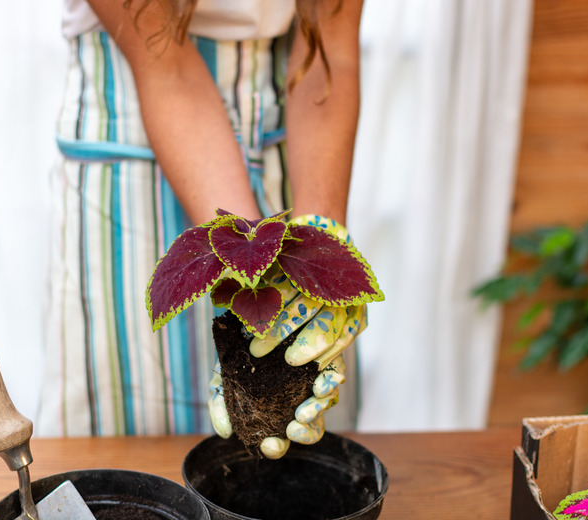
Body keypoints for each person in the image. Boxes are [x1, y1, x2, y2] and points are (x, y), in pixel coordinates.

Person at [37, 0, 366, 458]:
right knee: (131, 455)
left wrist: (321, 238)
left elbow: (331, 46)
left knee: (306, 392)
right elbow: (163, 61)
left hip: (295, 135)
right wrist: (252, 261)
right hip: (139, 135)